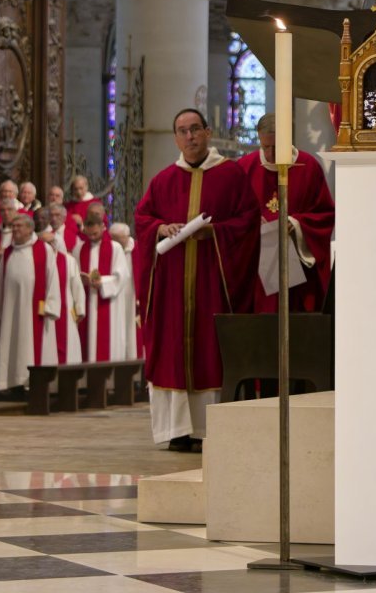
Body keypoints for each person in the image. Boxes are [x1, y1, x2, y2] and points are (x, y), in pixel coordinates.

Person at [134, 109, 259, 451]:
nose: (189, 137)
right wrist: (159, 227)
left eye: (194, 130)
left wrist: (214, 233)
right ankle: (177, 430)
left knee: (209, 352)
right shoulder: (162, 180)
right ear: (175, 138)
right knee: (173, 351)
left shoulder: (231, 176)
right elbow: (144, 218)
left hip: (212, 285)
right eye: (182, 131)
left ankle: (209, 429)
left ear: (207, 132)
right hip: (173, 288)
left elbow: (249, 222)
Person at [237, 112, 334, 313]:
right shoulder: (244, 168)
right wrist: (251, 223)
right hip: (255, 269)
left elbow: (324, 214)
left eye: (276, 147)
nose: (270, 154)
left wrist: (295, 224)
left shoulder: (308, 167)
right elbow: (230, 214)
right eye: (265, 147)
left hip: (299, 269)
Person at [0, 213, 61, 391]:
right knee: (11, 343)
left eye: (19, 226)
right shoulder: (8, 251)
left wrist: (51, 306)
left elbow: (52, 278)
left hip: (35, 312)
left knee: (31, 347)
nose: (14, 229)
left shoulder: (43, 250)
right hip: (10, 310)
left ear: (30, 229)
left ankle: (31, 384)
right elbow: (0, 282)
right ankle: (9, 382)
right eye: (13, 226)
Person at [78, 204, 127, 363]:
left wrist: (102, 282)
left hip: (108, 303)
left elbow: (122, 276)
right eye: (89, 233)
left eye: (95, 233)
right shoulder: (79, 249)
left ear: (103, 227)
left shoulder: (115, 248)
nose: (92, 236)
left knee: (106, 341)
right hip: (86, 300)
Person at [45, 209, 85, 365]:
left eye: (52, 243)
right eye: (47, 243)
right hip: (45, 312)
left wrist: (80, 309)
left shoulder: (68, 261)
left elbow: (77, 287)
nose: (50, 246)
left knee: (67, 347)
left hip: (66, 310)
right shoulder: (39, 258)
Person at [109, 222, 142, 360]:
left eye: (117, 238)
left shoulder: (137, 249)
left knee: (131, 330)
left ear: (127, 236)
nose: (114, 242)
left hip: (132, 294)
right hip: (116, 294)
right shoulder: (112, 249)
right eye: (112, 238)